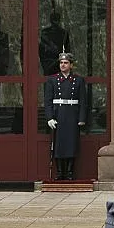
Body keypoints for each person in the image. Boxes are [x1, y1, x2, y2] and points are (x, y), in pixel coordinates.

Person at [44, 52, 87, 180]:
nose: (63, 65)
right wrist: (49, 117)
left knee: (71, 144)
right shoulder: (52, 80)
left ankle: (69, 172)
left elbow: (83, 101)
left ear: (71, 65)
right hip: (58, 114)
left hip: (72, 115)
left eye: (66, 63)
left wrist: (81, 118)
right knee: (59, 144)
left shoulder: (78, 80)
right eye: (61, 63)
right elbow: (48, 101)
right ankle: (60, 173)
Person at [39, 9, 71, 76]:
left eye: (56, 20)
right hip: (49, 63)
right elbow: (41, 49)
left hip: (58, 62)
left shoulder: (63, 33)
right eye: (54, 20)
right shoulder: (45, 33)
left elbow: (67, 49)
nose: (55, 22)